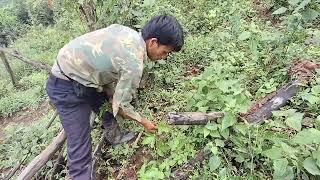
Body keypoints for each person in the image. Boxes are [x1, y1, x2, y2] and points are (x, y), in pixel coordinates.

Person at [46, 15, 184, 180]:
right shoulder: (134, 62)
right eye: (165, 52)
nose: (165, 57)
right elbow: (122, 106)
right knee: (80, 147)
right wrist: (144, 121)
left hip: (81, 74)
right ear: (153, 42)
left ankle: (116, 137)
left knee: (104, 102)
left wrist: (113, 96)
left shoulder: (129, 33)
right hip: (66, 85)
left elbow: (110, 78)